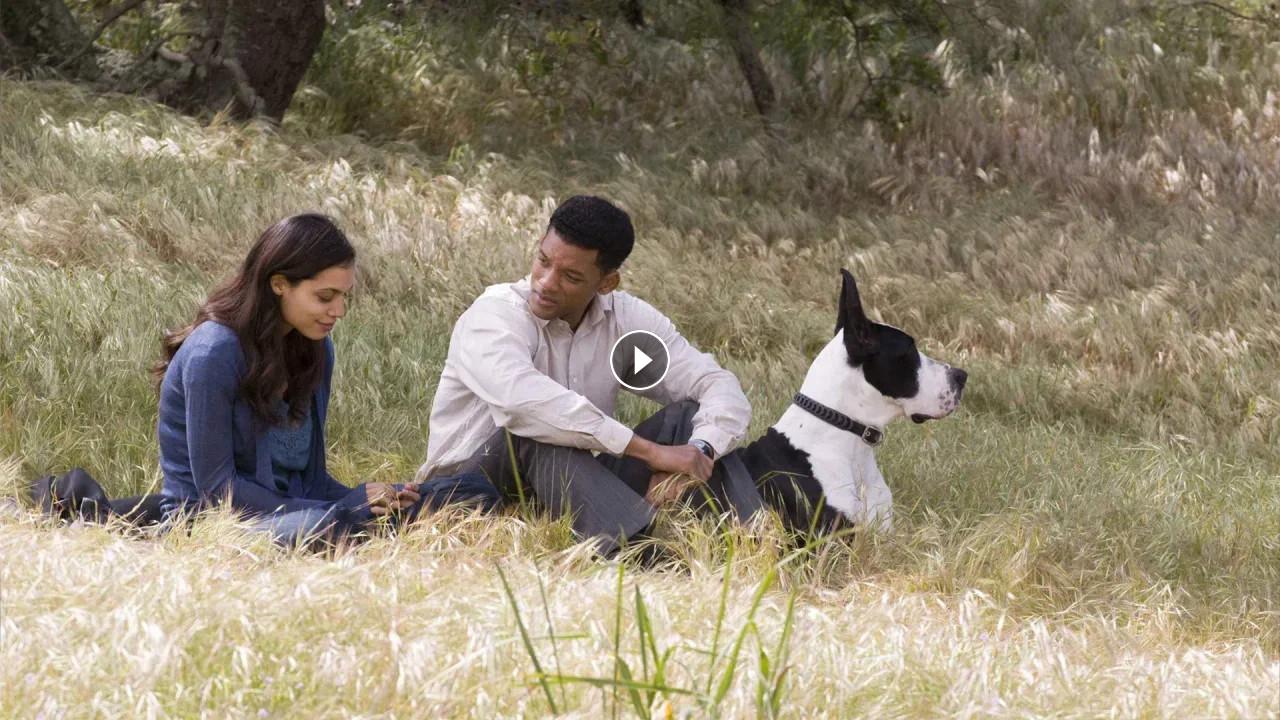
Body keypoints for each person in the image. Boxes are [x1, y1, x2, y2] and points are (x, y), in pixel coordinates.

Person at [36, 213, 495, 545]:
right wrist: (343, 509)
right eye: (325, 297)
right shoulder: (214, 352)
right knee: (330, 527)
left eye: (344, 297)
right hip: (213, 525)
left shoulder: (316, 349)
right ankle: (364, 530)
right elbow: (218, 494)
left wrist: (379, 497)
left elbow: (310, 480)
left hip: (302, 514)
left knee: (473, 491)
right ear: (279, 284)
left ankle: (375, 524)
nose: (338, 311)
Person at [418, 195, 762, 556]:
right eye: (543, 261)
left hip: (569, 488)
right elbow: (521, 404)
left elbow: (715, 384)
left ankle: (755, 546)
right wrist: (650, 453)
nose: (546, 283)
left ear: (606, 283)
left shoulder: (623, 325)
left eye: (570, 277)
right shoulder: (495, 316)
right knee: (537, 432)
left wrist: (699, 452)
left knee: (687, 417)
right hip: (468, 493)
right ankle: (639, 559)